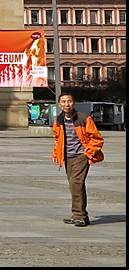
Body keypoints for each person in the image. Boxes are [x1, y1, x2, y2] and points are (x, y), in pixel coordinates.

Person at [52, 93, 104, 226]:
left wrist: (88, 153)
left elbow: (97, 138)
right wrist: (56, 154)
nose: (66, 104)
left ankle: (79, 215)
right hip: (68, 156)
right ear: (59, 104)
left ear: (73, 103)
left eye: (69, 101)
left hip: (81, 155)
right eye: (63, 102)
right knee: (74, 185)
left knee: (76, 183)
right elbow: (58, 139)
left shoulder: (84, 118)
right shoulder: (58, 120)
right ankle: (79, 215)